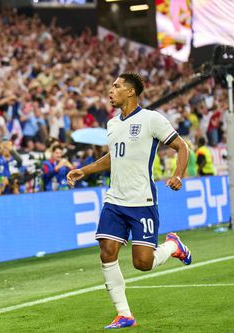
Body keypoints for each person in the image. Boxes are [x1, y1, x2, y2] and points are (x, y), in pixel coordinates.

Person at [67, 72, 191, 329]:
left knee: (142, 263)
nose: (110, 90)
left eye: (116, 86)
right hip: (115, 200)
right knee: (107, 251)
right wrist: (84, 170)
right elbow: (114, 157)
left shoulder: (151, 119)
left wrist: (178, 174)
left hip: (142, 199)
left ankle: (172, 246)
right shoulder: (112, 124)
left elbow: (182, 147)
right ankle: (124, 314)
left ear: (131, 92)